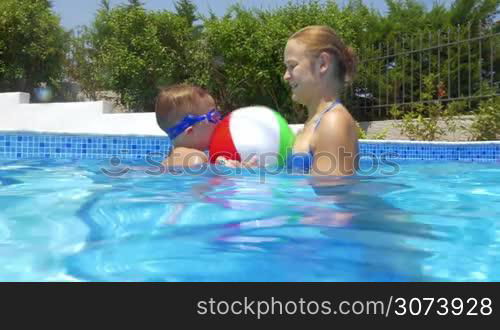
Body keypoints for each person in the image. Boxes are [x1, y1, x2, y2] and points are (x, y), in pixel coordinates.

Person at [283, 25, 359, 176]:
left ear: (322, 64)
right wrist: (248, 173)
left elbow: (330, 196)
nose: (286, 76)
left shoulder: (333, 122)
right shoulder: (310, 126)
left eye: (292, 66)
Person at [155, 84, 222, 167]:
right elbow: (205, 178)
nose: (219, 122)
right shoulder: (196, 157)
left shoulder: (170, 157)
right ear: (190, 131)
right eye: (214, 116)